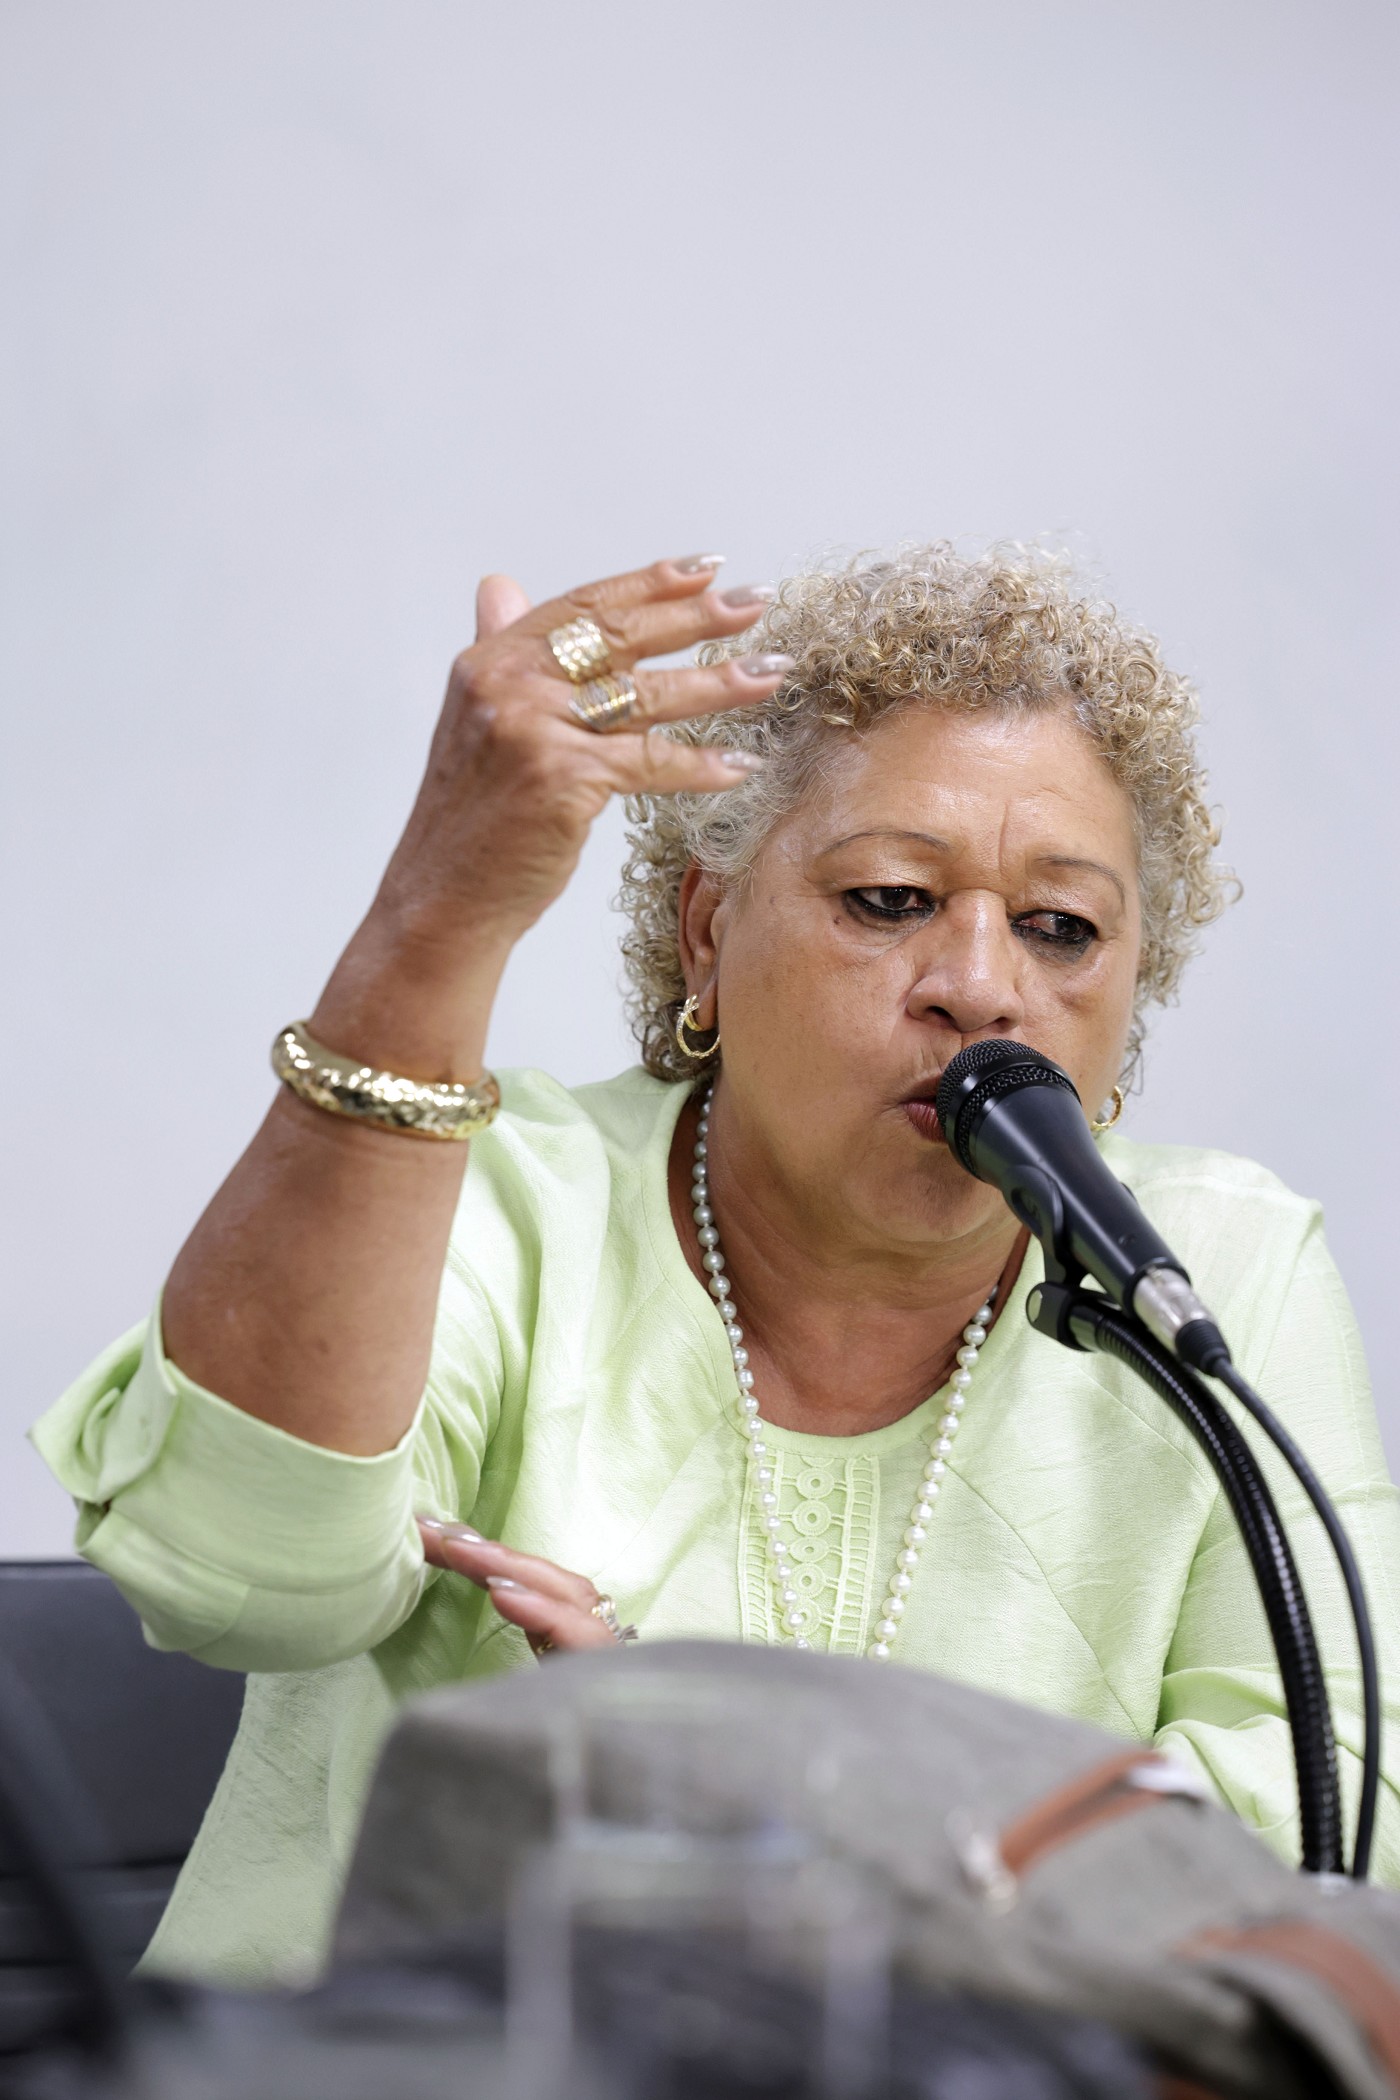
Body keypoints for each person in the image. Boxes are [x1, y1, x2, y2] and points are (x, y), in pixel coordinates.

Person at [34, 545, 1400, 1988]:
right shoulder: (493, 1202)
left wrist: (752, 1801)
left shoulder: (1211, 1274)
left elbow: (1330, 1840)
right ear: (708, 932)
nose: (982, 985)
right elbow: (239, 1575)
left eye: (1062, 928)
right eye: (890, 899)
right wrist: (442, 913)